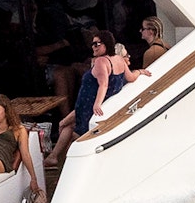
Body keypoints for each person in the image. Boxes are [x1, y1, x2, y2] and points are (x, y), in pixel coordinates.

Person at [44, 30, 149, 167]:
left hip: (90, 105)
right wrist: (140, 71)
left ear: (106, 45)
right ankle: (55, 158)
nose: (93, 47)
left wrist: (97, 105)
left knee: (69, 129)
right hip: (95, 104)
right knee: (65, 125)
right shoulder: (119, 60)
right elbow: (130, 77)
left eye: (96, 44)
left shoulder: (101, 61)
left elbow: (103, 84)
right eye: (92, 44)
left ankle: (60, 160)